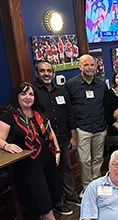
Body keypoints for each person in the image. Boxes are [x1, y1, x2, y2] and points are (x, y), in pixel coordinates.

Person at [0, 83, 65, 220]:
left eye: (31, 94)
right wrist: (6, 145)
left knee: (51, 187)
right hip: (29, 161)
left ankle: (44, 216)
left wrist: (57, 150)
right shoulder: (9, 115)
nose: (27, 97)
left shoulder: (38, 113)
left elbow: (50, 133)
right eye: (23, 94)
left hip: (47, 156)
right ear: (17, 96)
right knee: (40, 190)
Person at [33, 60, 79, 210]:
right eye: (42, 71)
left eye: (49, 71)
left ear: (53, 73)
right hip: (45, 141)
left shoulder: (61, 91)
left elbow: (69, 114)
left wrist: (73, 136)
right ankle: (58, 202)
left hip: (63, 137)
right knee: (51, 173)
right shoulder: (32, 92)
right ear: (37, 73)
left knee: (66, 168)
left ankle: (71, 195)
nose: (46, 74)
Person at [66, 54, 107, 196]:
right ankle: (87, 187)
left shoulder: (101, 84)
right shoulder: (71, 85)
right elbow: (68, 108)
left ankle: (97, 184)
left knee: (98, 158)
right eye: (86, 65)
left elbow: (105, 105)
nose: (90, 68)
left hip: (100, 127)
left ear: (96, 66)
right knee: (84, 160)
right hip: (82, 128)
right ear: (80, 66)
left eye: (92, 65)